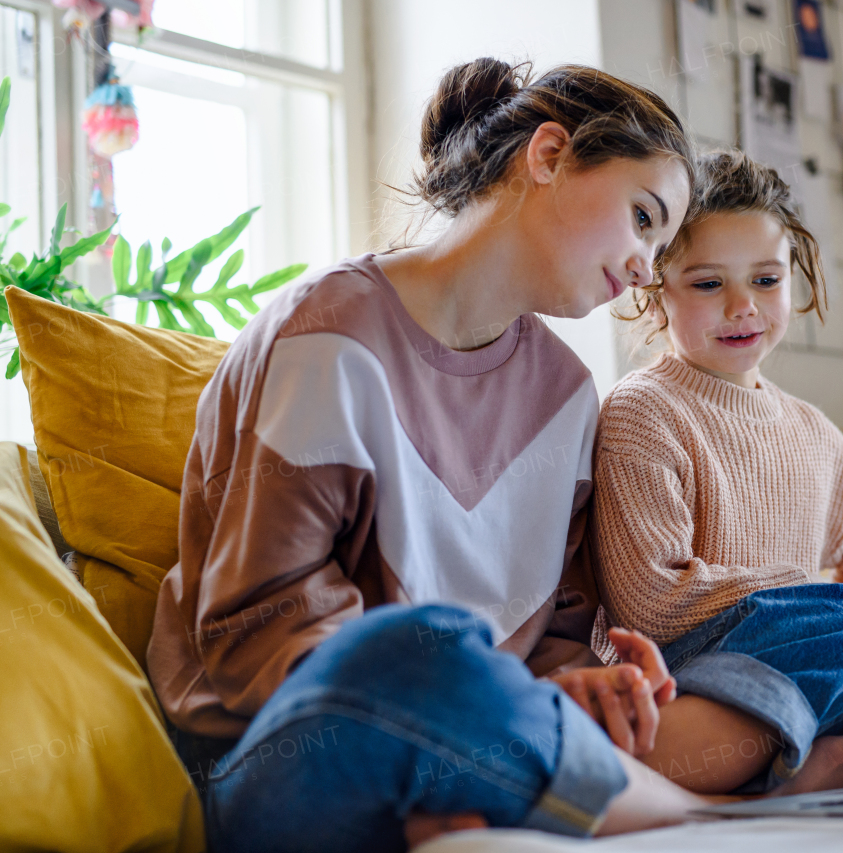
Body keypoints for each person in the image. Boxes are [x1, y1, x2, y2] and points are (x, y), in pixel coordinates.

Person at [146, 57, 722, 851]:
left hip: (484, 732)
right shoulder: (329, 334)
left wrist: (577, 684)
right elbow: (259, 628)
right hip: (288, 756)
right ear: (549, 156)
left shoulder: (569, 397)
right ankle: (708, 811)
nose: (645, 267)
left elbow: (551, 630)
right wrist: (469, 697)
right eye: (644, 217)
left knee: (828, 626)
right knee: (425, 652)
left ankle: (516, 794)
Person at [593, 149, 843, 795]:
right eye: (708, 282)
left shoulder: (806, 425)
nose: (743, 305)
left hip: (831, 669)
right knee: (841, 622)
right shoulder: (643, 411)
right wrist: (814, 605)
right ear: (656, 288)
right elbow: (649, 604)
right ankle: (766, 764)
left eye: (767, 280)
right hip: (705, 686)